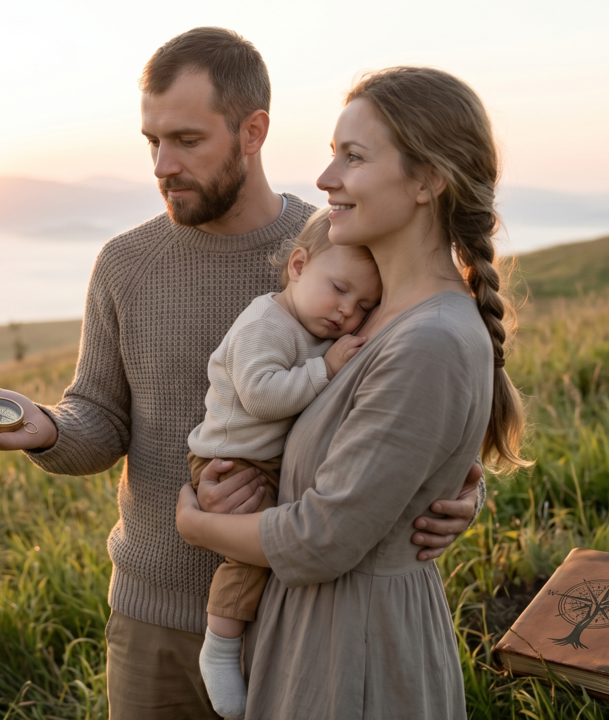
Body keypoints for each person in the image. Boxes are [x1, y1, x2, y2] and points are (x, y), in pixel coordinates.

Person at [0, 28, 485, 718]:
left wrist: (452, 493)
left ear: (253, 132)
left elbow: (406, 395)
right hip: (153, 618)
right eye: (152, 142)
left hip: (294, 613)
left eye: (187, 140)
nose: (163, 165)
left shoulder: (340, 250)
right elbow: (100, 418)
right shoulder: (124, 265)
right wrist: (46, 429)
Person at [175, 66, 530, 719]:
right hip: (316, 633)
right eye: (332, 153)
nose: (325, 178)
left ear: (427, 181)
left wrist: (198, 524)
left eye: (354, 157)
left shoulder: (428, 338)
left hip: (354, 654)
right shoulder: (371, 314)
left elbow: (322, 538)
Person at [188, 207, 382, 718]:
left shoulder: (314, 324)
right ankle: (220, 646)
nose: (347, 312)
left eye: (364, 305)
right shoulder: (265, 323)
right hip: (231, 458)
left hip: (263, 457)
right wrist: (325, 368)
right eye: (339, 289)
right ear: (298, 266)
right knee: (253, 552)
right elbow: (261, 397)